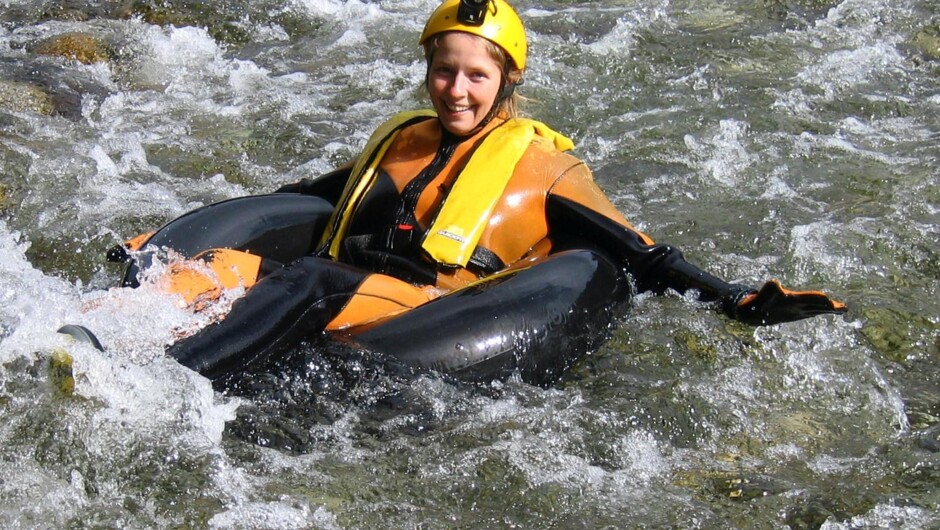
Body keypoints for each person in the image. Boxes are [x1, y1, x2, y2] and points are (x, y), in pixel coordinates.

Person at [165, 0, 846, 381]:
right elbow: (311, 200)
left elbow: (640, 255)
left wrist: (733, 298)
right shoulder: (405, 141)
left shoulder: (542, 168)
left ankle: (173, 383)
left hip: (426, 318)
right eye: (443, 72)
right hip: (353, 291)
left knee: (313, 280)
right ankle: (97, 338)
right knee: (221, 270)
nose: (456, 91)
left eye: (475, 77)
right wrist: (188, 243)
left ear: (508, 81)